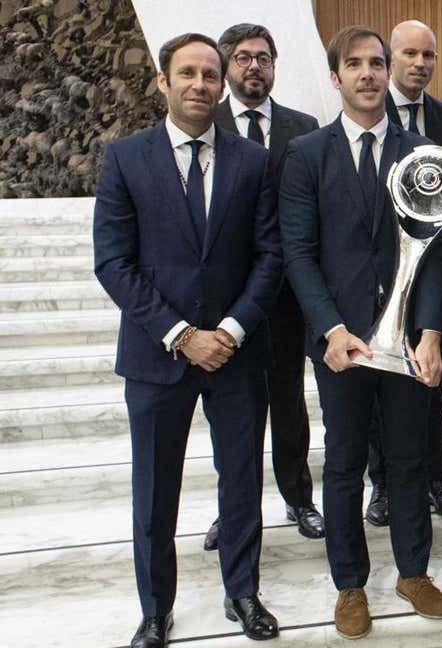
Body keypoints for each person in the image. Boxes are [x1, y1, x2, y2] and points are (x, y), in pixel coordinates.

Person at [93, 32, 282, 647]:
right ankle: (155, 610)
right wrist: (180, 335)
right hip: (156, 356)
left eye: (210, 74)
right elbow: (114, 263)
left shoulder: (251, 160)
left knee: (241, 482)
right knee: (154, 491)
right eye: (189, 74)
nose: (201, 84)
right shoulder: (125, 158)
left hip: (235, 353)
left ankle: (243, 592)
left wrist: (227, 330)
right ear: (163, 81)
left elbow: (270, 255)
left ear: (223, 83)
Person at [276, 25, 442, 637]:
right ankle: (350, 585)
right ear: (336, 77)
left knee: (410, 459)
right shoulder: (306, 155)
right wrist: (329, 329)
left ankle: (413, 573)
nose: (369, 74)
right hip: (342, 346)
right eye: (355, 65)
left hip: (405, 342)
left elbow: (432, 254)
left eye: (377, 63)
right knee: (346, 465)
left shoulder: (420, 152)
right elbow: (298, 253)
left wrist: (430, 332)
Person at [202, 22, 324, 552]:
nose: (255, 66)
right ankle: (234, 509)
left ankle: (299, 497)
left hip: (288, 297)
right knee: (233, 409)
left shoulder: (305, 126)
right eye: (244, 58)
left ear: (275, 66)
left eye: (264, 58)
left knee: (289, 403)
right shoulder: (206, 123)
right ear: (228, 66)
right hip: (226, 298)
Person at [369, 18, 442, 521]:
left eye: (428, 55)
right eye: (409, 54)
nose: (419, 64)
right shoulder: (369, 111)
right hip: (379, 282)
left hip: (431, 275)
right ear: (391, 59)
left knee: (431, 385)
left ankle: (434, 479)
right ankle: (381, 486)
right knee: (379, 394)